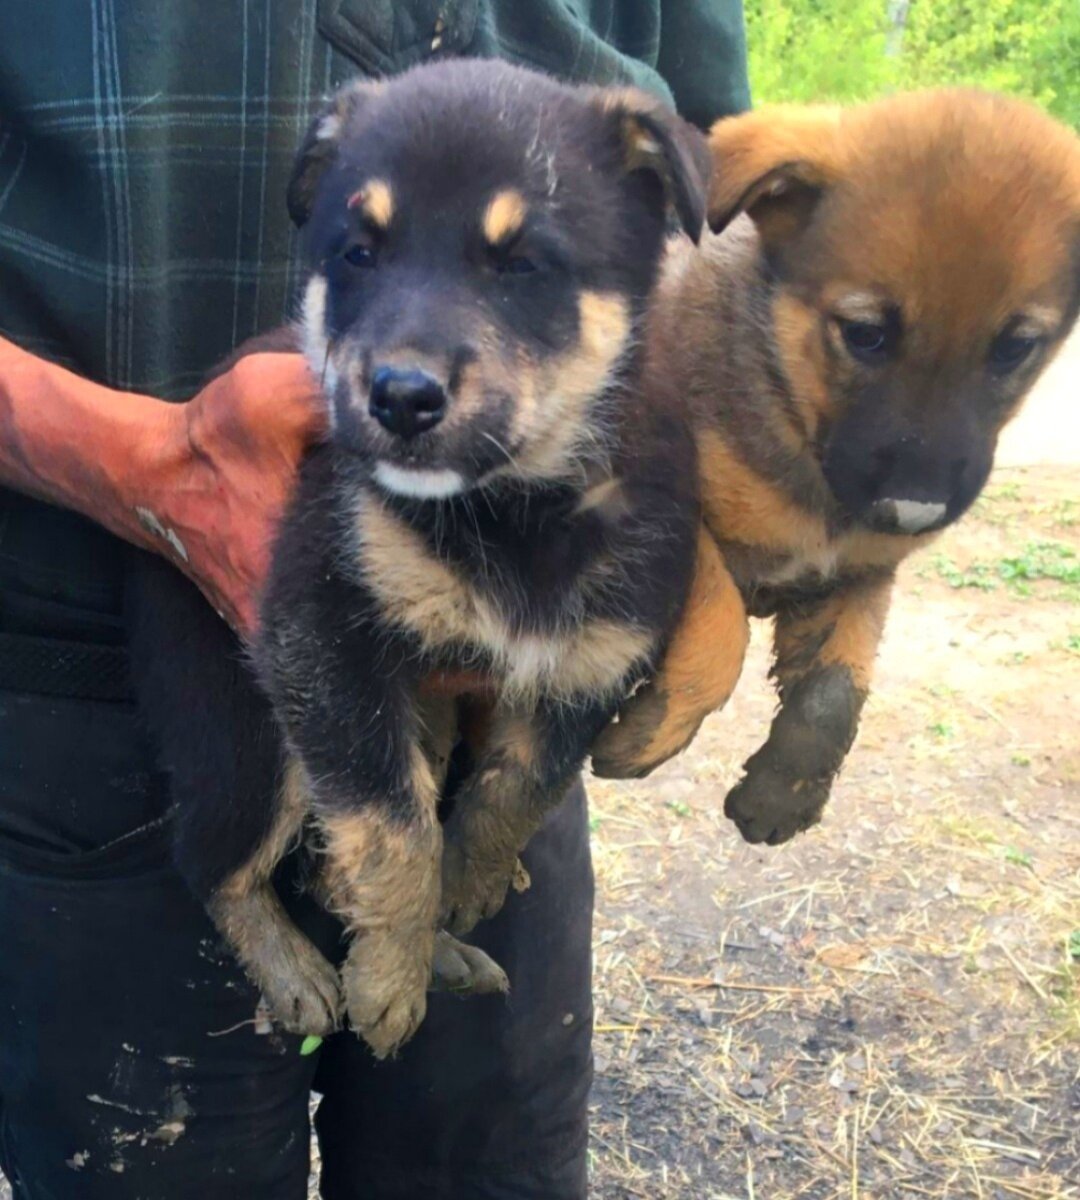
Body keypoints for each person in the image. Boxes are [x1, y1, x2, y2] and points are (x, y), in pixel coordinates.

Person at [0, 4, 749, 1197]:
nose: (406, 365)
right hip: (91, 660)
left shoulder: (649, 192)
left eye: (529, 264)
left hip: (505, 733)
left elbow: (731, 180)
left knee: (485, 1171)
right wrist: (137, 466)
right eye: (359, 251)